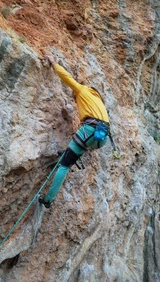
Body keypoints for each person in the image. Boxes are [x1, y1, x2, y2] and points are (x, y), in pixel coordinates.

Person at [39, 55, 111, 208]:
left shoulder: (83, 91)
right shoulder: (99, 102)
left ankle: (48, 199)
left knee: (64, 166)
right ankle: (68, 152)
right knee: (76, 150)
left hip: (90, 130)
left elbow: (67, 78)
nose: (74, 97)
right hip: (101, 136)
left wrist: (54, 63)